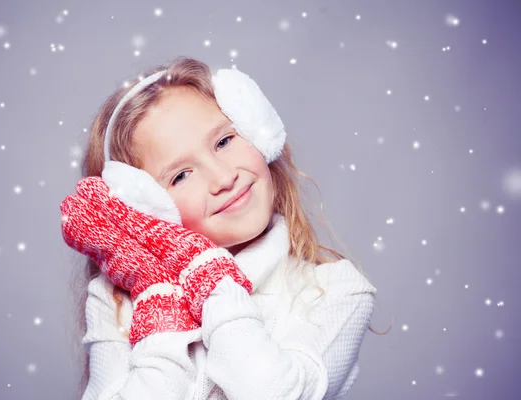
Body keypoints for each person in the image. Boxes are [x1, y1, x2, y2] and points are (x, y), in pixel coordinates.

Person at [60, 55, 386, 400]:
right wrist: (159, 303)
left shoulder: (337, 290)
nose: (223, 177)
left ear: (258, 131)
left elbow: (271, 393)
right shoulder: (116, 301)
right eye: (181, 175)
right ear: (146, 208)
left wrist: (207, 274)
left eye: (224, 142)